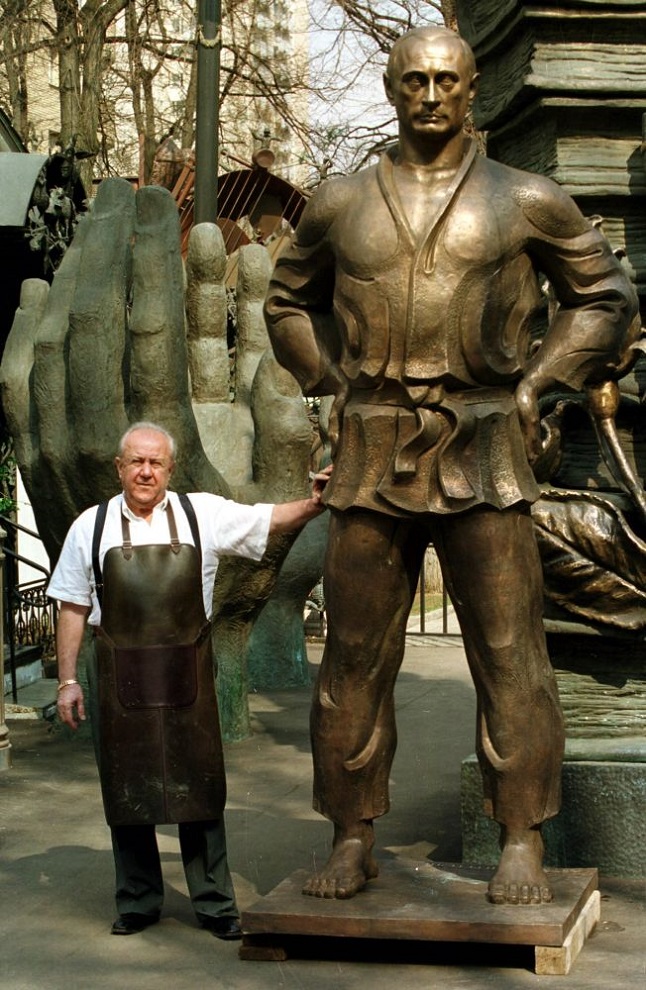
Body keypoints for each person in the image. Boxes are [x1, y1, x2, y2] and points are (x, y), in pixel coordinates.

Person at [264, 25, 640, 906]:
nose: (430, 96)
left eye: (445, 80)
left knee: (510, 653)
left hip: (486, 441)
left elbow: (605, 294)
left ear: (471, 90)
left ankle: (521, 836)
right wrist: (332, 380)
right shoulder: (340, 203)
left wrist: (539, 382)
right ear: (391, 89)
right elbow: (287, 300)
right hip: (373, 444)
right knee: (353, 655)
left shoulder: (525, 198)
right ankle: (350, 833)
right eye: (414, 80)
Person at [48, 421, 329, 937]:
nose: (146, 471)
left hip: (188, 675)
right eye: (136, 461)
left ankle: (215, 903)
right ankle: (137, 901)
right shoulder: (90, 526)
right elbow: (71, 606)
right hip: (117, 675)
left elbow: (265, 519)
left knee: (200, 788)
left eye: (155, 462)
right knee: (126, 789)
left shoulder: (201, 514)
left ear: (171, 468)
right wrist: (67, 681)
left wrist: (313, 505)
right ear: (119, 467)